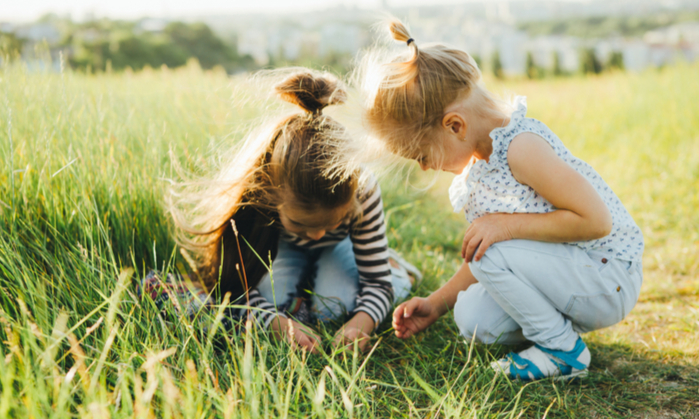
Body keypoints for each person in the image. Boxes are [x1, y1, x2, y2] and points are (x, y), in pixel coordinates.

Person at [355, 19, 644, 380]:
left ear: (454, 126)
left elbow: (596, 222)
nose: (426, 168)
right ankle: (557, 331)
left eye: (421, 156)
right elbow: (485, 254)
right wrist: (434, 305)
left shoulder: (522, 147)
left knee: (492, 243)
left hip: (607, 276)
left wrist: (503, 226)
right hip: (573, 275)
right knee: (474, 320)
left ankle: (563, 351)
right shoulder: (480, 168)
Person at [168, 69, 415, 353]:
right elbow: (235, 288)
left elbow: (376, 285)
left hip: (341, 248)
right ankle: (308, 279)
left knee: (334, 307)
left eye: (332, 222)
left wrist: (360, 324)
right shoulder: (258, 191)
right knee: (272, 299)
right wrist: (276, 323)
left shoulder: (364, 190)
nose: (317, 234)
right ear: (271, 197)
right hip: (281, 248)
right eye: (300, 223)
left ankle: (397, 270)